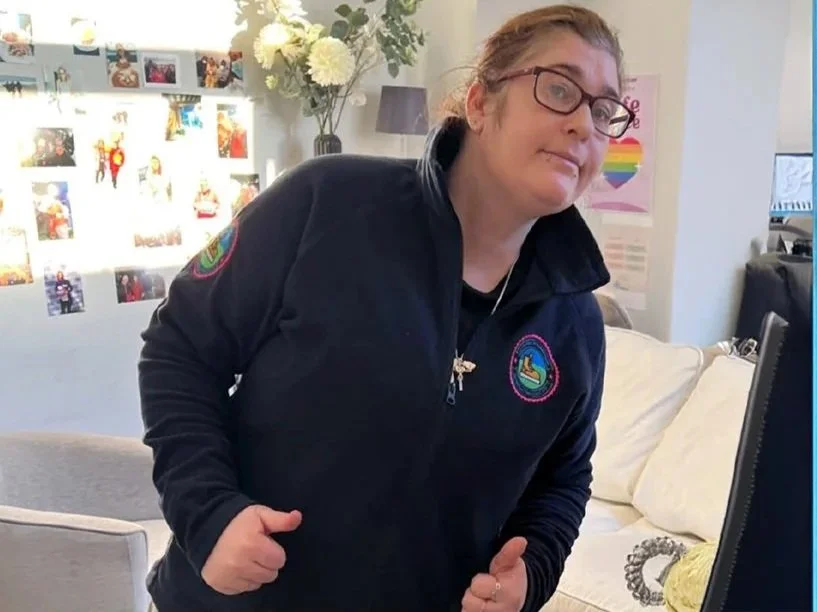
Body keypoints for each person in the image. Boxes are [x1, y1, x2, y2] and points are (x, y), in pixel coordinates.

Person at [139, 5, 633, 612]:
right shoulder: (326, 204)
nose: (583, 123)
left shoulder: (577, 321)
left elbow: (565, 477)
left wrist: (534, 572)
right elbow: (179, 349)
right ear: (480, 103)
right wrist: (209, 513)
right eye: (559, 89)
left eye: (605, 110)